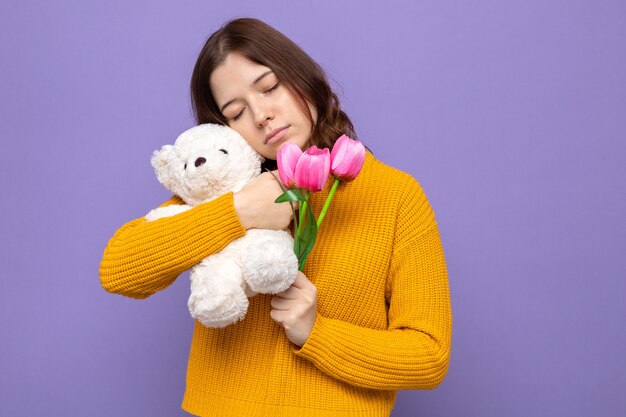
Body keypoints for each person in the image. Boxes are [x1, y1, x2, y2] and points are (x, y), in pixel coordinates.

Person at [99, 17, 452, 417]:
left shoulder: (395, 196)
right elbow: (118, 270)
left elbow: (429, 355)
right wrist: (240, 211)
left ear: (303, 77)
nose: (262, 115)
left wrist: (318, 335)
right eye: (236, 112)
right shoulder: (227, 188)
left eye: (269, 88)